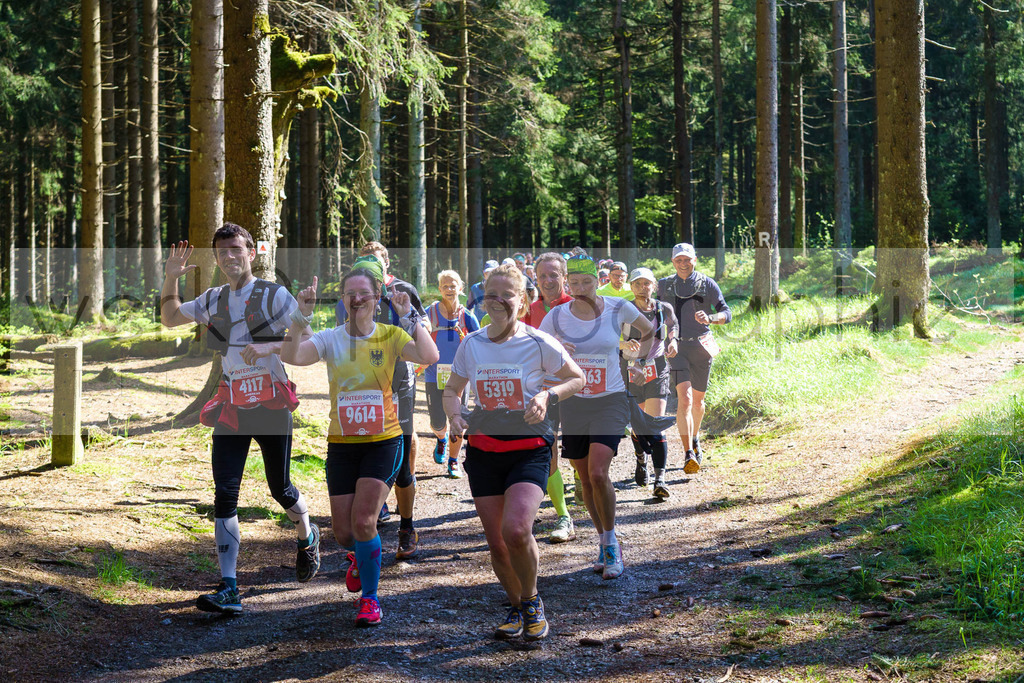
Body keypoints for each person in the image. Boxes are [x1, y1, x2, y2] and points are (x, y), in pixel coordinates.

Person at [159, 224, 320, 615]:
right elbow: (168, 319)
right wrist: (170, 277)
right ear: (216, 258)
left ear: (251, 251)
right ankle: (229, 588)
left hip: (270, 405)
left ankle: (307, 533)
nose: (229, 257)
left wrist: (268, 347)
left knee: (279, 488)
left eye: (236, 249)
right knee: (224, 495)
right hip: (231, 405)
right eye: (222, 252)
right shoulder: (213, 298)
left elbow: (309, 343)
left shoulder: (273, 295)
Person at [282, 258, 439, 627]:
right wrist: (299, 318)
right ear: (342, 298)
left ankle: (370, 599)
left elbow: (430, 356)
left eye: (363, 294)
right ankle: (359, 555)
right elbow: (293, 356)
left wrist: (410, 318)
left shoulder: (391, 335)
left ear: (377, 297)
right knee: (343, 532)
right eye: (350, 294)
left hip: (383, 441)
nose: (356, 300)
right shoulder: (332, 337)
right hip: (341, 443)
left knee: (366, 521)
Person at [443, 263, 585, 641]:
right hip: (485, 450)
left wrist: (546, 394)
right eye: (492, 294)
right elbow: (451, 390)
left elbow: (577, 377)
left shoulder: (538, 341)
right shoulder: (472, 344)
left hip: (529, 449)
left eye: (507, 295)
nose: (498, 301)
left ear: (522, 301)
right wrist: (455, 415)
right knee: (497, 543)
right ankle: (516, 605)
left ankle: (532, 600)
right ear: (483, 298)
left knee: (517, 529)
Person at [539, 253, 654, 580]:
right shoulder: (557, 316)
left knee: (598, 471)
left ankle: (612, 542)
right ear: (565, 283)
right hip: (573, 402)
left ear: (597, 281)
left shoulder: (618, 309)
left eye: (586, 282)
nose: (579, 288)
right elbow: (536, 350)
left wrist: (636, 360)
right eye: (573, 283)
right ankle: (603, 540)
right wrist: (558, 351)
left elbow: (647, 331)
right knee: (586, 479)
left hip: (610, 400)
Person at [335, 242, 427, 560]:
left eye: (375, 262)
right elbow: (340, 335)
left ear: (386, 266)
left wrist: (408, 319)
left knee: (401, 454)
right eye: (363, 261)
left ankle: (407, 525)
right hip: (361, 385)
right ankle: (371, 521)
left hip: (399, 382)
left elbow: (423, 328)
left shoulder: (403, 290)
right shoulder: (350, 293)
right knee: (360, 450)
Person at [657, 243, 732, 474]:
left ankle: (695, 436)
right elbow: (656, 315)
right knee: (685, 399)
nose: (683, 263)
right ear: (672, 262)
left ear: (695, 260)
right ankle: (688, 452)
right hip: (677, 348)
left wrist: (710, 318)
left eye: (687, 259)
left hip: (701, 347)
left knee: (698, 403)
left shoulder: (707, 283)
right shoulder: (664, 285)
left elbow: (727, 313)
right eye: (678, 260)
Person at [524, 252, 576, 543]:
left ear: (564, 277)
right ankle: (564, 516)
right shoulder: (530, 308)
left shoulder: (577, 304)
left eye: (553, 275)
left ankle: (581, 480)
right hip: (544, 391)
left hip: (579, 388)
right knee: (550, 451)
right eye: (542, 275)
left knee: (580, 454)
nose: (547, 281)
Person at [620, 267, 679, 499]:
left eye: (647, 283)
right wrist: (628, 356)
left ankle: (660, 479)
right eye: (637, 284)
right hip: (631, 370)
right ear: (631, 287)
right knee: (639, 423)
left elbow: (673, 325)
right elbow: (614, 340)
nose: (642, 288)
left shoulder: (663, 308)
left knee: (655, 422)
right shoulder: (624, 311)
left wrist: (673, 341)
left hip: (658, 367)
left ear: (654, 285)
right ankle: (640, 458)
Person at [424, 269, 480, 478]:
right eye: (445, 286)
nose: (449, 289)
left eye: (453, 285)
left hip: (459, 377)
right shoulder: (429, 313)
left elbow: (478, 344)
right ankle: (441, 438)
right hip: (433, 374)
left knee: (457, 419)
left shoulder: (468, 317)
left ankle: (454, 461)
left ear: (460, 288)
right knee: (437, 422)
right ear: (439, 289)